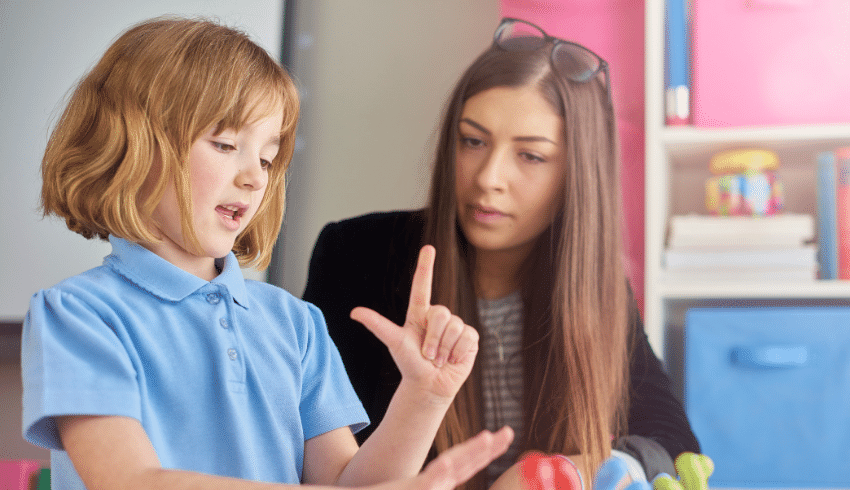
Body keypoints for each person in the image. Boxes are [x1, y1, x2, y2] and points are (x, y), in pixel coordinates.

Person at [20, 16, 514, 490]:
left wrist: (422, 398)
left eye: (267, 157)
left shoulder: (295, 325)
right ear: (135, 144)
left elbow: (346, 483)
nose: (255, 177)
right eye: (225, 143)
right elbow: (130, 482)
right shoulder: (78, 315)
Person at [303, 17, 700, 490]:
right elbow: (312, 454)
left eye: (530, 156)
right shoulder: (354, 254)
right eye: (473, 141)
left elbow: (674, 449)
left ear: (576, 175)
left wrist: (560, 471)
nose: (489, 177)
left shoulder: (594, 288)